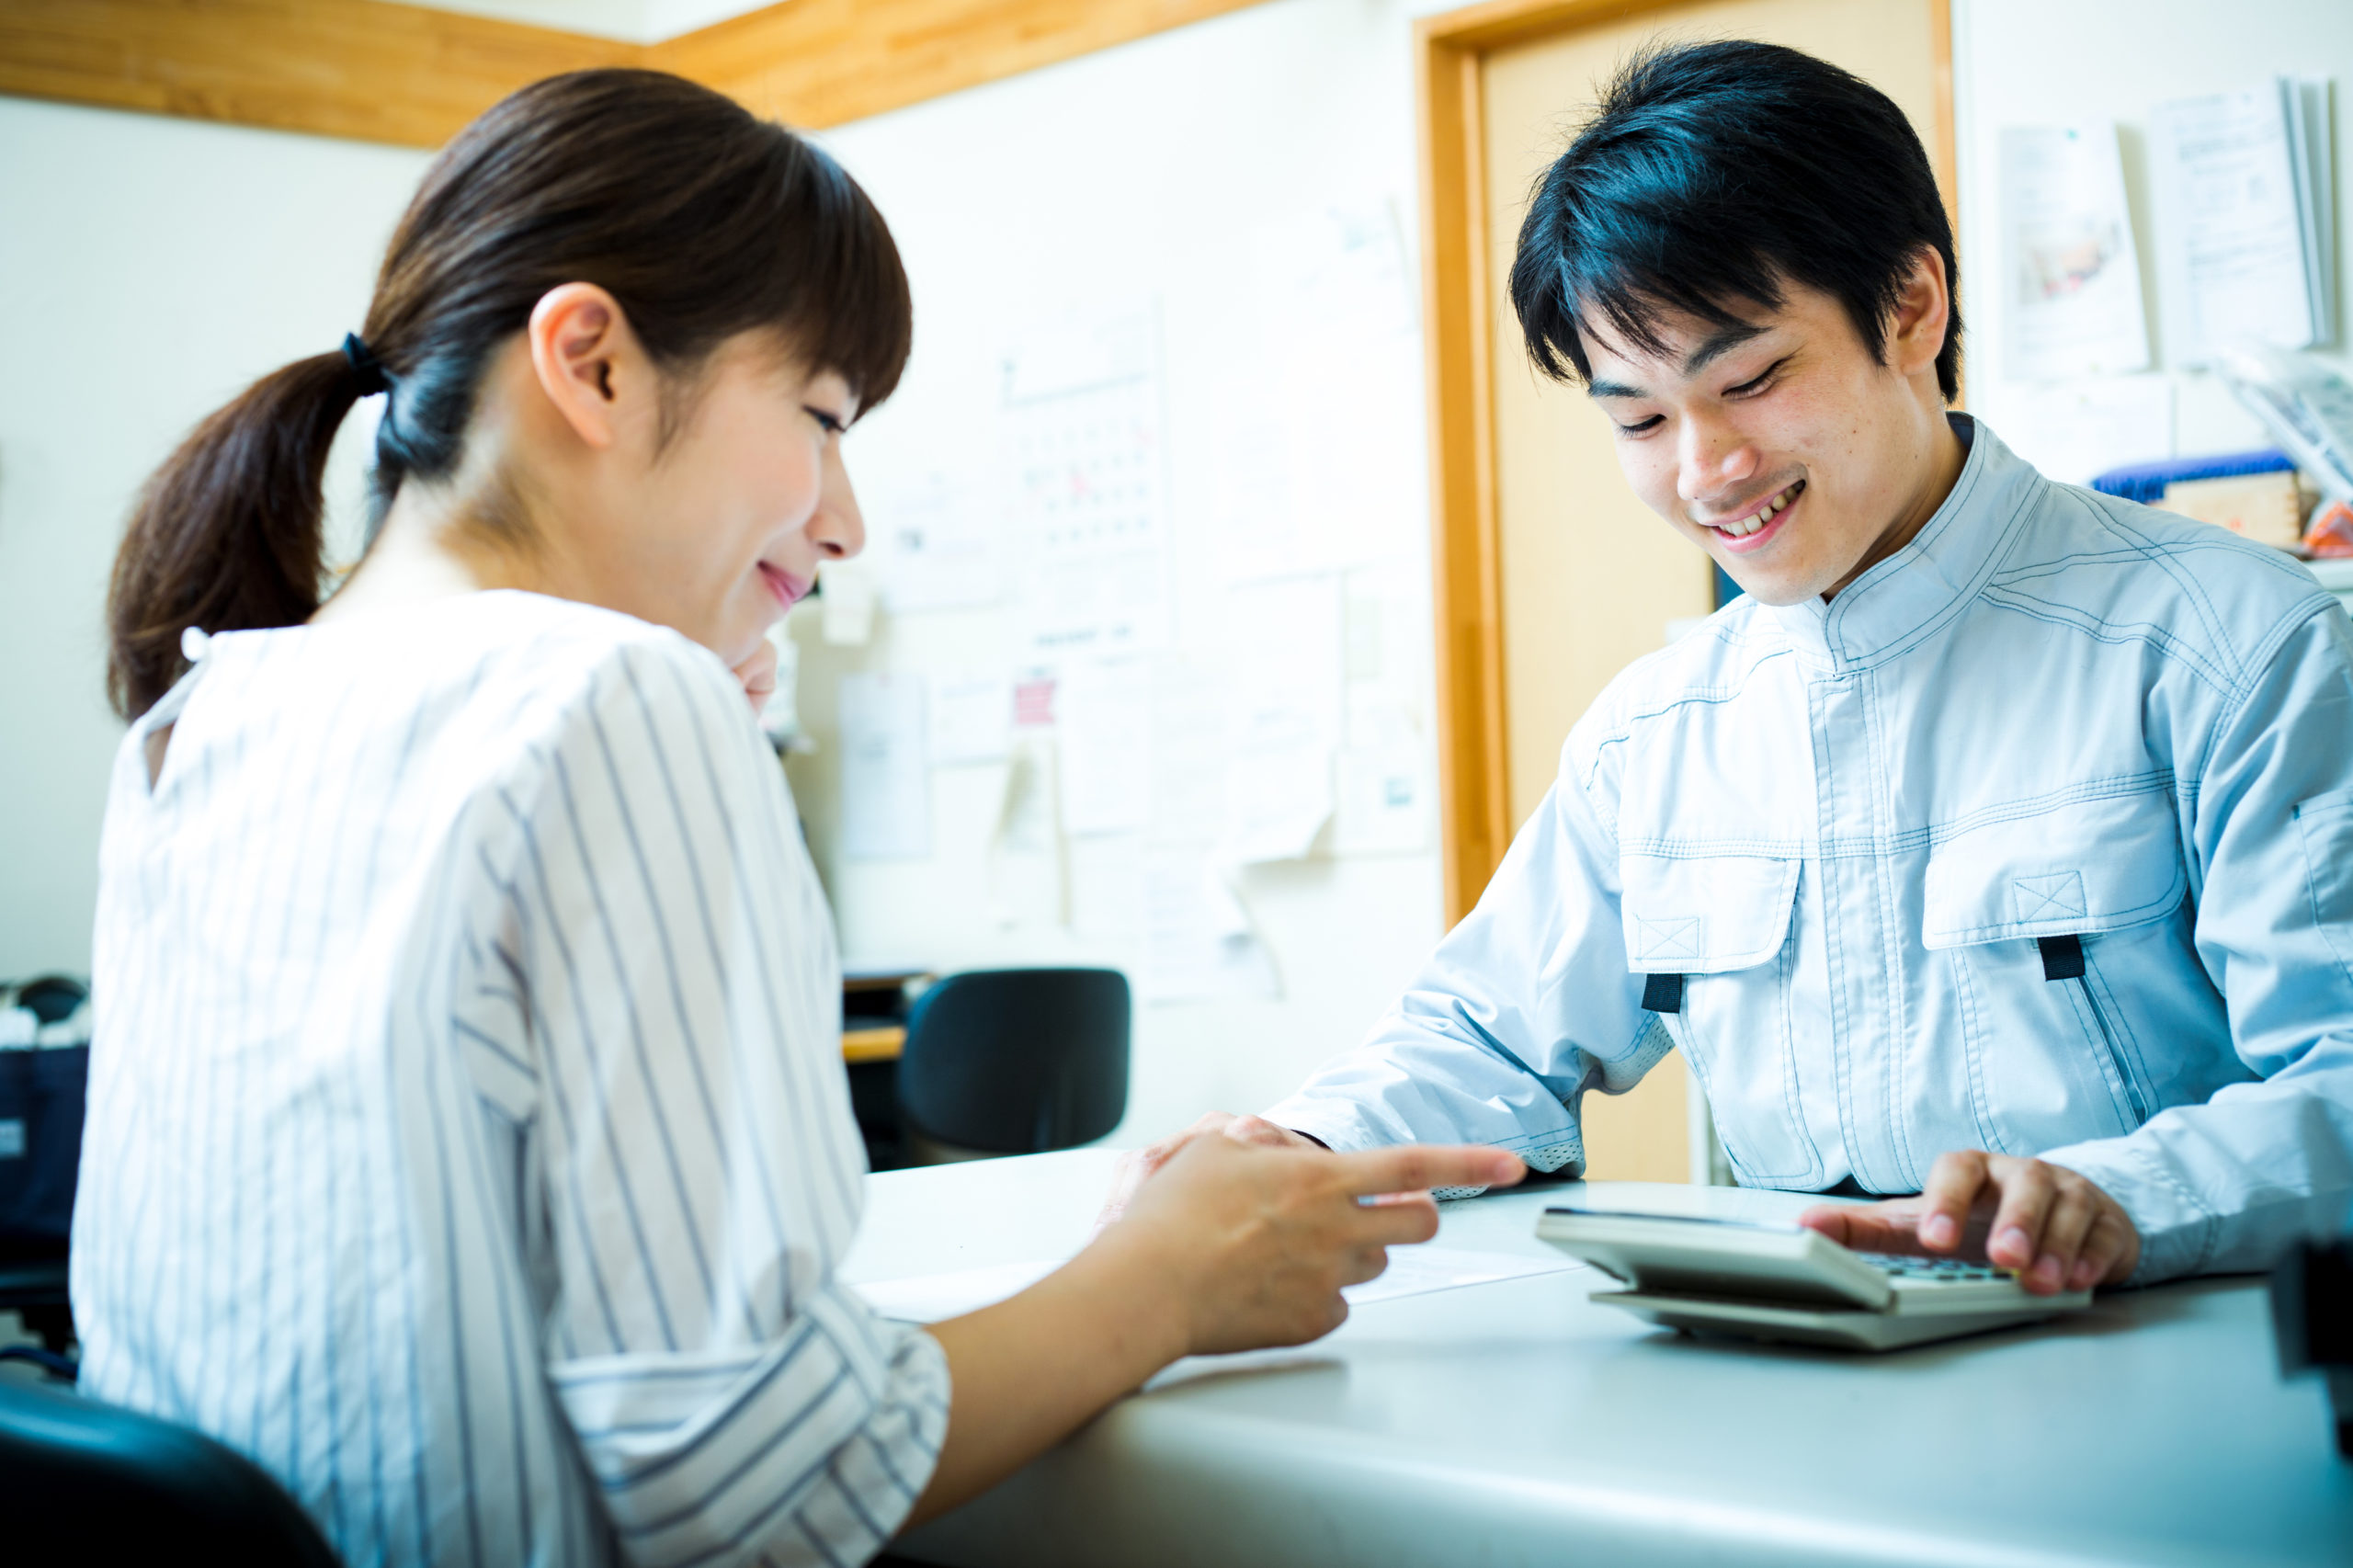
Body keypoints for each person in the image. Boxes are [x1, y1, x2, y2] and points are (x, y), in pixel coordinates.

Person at [75, 68, 1522, 1568]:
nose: (846, 521)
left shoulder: (206, 717)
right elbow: (762, 1483)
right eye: (822, 418)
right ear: (595, 364)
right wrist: (1166, 1280)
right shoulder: (609, 701)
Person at [1111, 40, 2353, 1296]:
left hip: (2175, 1377)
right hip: (1805, 1394)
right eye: (1640, 419)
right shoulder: (1655, 733)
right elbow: (1481, 1033)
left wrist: (2123, 1195)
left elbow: (2344, 1078)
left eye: (1750, 379)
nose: (1705, 469)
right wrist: (1299, 1144)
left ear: (1912, 305)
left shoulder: (2228, 643)